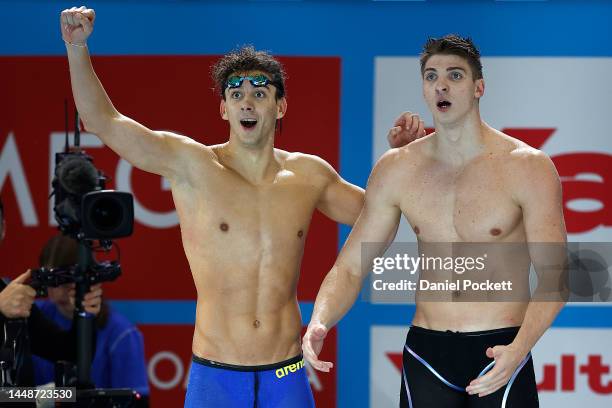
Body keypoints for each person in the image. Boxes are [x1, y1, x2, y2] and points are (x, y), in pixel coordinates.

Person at [60, 6, 423, 407]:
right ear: (224, 109)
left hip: (285, 369)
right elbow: (102, 121)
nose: (246, 103)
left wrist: (399, 160)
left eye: (259, 94)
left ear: (279, 107)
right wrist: (76, 46)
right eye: (236, 95)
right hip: (214, 372)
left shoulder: (309, 175)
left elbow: (379, 214)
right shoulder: (191, 164)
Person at [303, 35, 567, 408]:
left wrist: (520, 348)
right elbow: (349, 267)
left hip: (501, 350)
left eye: (455, 76)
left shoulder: (527, 167)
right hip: (427, 354)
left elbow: (556, 276)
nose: (441, 85)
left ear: (479, 88)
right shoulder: (397, 168)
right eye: (431, 76)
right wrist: (320, 320)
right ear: (425, 90)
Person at [32, 234, 149, 406]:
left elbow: (137, 402)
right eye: (52, 278)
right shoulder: (31, 318)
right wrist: (45, 396)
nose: (58, 289)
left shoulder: (122, 335)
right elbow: (8, 396)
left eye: (67, 278)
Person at [0, 198, 102, 387]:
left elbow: (69, 352)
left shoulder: (8, 293)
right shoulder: (4, 299)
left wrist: (83, 313)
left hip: (17, 399)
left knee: (76, 397)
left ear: (3, 229)